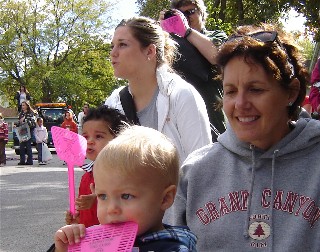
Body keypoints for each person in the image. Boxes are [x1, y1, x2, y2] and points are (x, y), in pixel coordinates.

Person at [165, 24, 320, 251]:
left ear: (291, 92)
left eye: (255, 89)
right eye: (230, 91)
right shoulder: (194, 172)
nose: (240, 104)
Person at [49, 126, 197, 252]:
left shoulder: (173, 248)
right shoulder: (99, 242)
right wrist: (64, 248)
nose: (111, 209)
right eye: (103, 196)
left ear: (165, 198)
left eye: (126, 196)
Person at [105, 16, 212, 164]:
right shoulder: (113, 102)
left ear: (150, 51)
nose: (113, 53)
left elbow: (202, 166)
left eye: (122, 45)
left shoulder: (182, 95)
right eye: (112, 46)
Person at [159, 0, 227, 141]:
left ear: (202, 14)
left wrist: (187, 32)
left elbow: (216, 57)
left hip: (214, 113)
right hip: (182, 116)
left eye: (190, 12)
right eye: (181, 14)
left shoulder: (216, 36)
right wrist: (161, 32)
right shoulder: (170, 45)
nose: (185, 17)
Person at [65, 105, 129, 228]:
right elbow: (87, 214)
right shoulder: (86, 177)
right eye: (85, 136)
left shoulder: (122, 174)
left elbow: (129, 204)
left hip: (111, 240)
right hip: (90, 240)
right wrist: (78, 219)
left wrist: (98, 199)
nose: (89, 141)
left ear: (118, 139)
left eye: (98, 136)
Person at [17, 101, 36, 166]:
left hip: (28, 132)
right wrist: (18, 123)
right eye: (22, 105)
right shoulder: (21, 114)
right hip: (22, 131)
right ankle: (22, 161)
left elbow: (33, 124)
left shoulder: (31, 114)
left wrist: (25, 120)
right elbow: (18, 122)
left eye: (24, 105)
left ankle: (30, 161)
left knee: (28, 147)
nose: (23, 107)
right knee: (21, 147)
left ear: (27, 106)